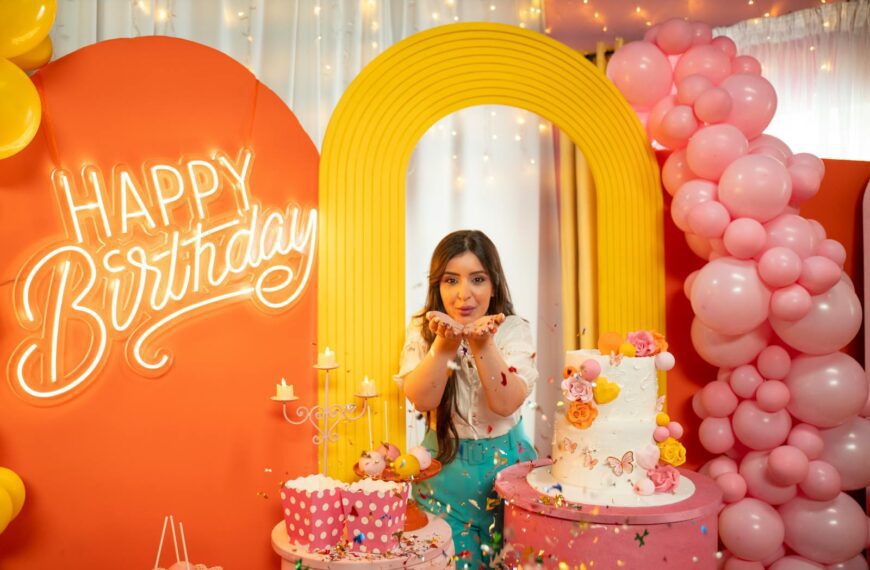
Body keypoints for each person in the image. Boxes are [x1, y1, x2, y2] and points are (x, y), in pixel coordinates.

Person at [396, 230, 538, 569]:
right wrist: (444, 345)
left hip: (508, 474)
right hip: (442, 475)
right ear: (437, 286)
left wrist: (482, 342)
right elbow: (422, 399)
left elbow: (507, 402)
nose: (464, 294)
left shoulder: (513, 329)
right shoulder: (423, 331)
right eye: (450, 280)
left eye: (477, 279)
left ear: (494, 283)